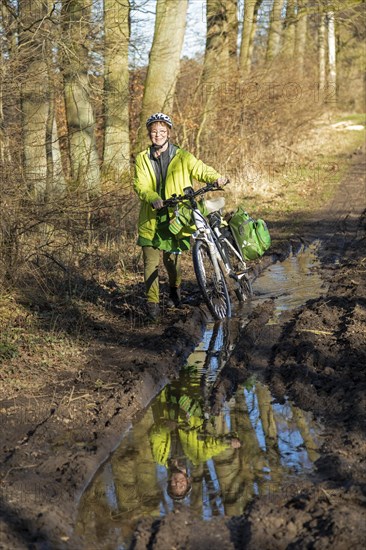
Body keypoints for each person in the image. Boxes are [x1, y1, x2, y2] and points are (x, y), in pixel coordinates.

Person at [133, 112, 228, 320]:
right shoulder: (141, 158)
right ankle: (153, 305)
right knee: (151, 262)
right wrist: (153, 197)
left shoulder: (182, 156)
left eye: (161, 131)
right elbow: (140, 184)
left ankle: (175, 290)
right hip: (151, 217)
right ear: (149, 134)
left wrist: (216, 177)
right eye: (153, 132)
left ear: (168, 133)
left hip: (176, 216)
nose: (157, 135)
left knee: (172, 262)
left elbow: (200, 169)